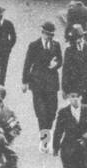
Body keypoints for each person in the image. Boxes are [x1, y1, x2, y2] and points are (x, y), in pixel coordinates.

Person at [21, 21, 63, 149]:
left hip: (51, 83)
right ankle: (45, 141)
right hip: (37, 83)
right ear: (42, 33)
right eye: (46, 34)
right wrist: (24, 81)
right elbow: (27, 64)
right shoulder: (34, 45)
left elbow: (60, 60)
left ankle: (47, 133)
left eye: (51, 35)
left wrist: (55, 65)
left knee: (52, 112)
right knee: (41, 113)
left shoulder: (56, 45)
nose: (48, 37)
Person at [61, 25, 87, 104]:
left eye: (81, 38)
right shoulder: (69, 51)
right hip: (74, 85)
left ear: (83, 37)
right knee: (75, 110)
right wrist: (64, 88)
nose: (79, 40)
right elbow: (65, 70)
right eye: (76, 38)